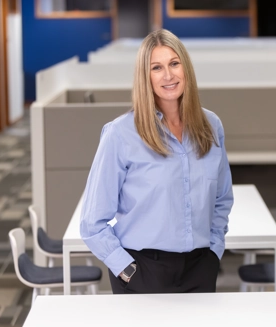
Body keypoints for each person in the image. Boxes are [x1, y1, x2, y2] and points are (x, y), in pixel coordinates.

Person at [79, 29, 234, 294]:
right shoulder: (121, 134)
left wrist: (214, 251)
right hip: (142, 269)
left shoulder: (211, 125)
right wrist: (126, 269)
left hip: (200, 266)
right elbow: (92, 222)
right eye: (156, 67)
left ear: (186, 68)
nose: (168, 75)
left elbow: (222, 199)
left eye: (175, 63)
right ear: (145, 77)